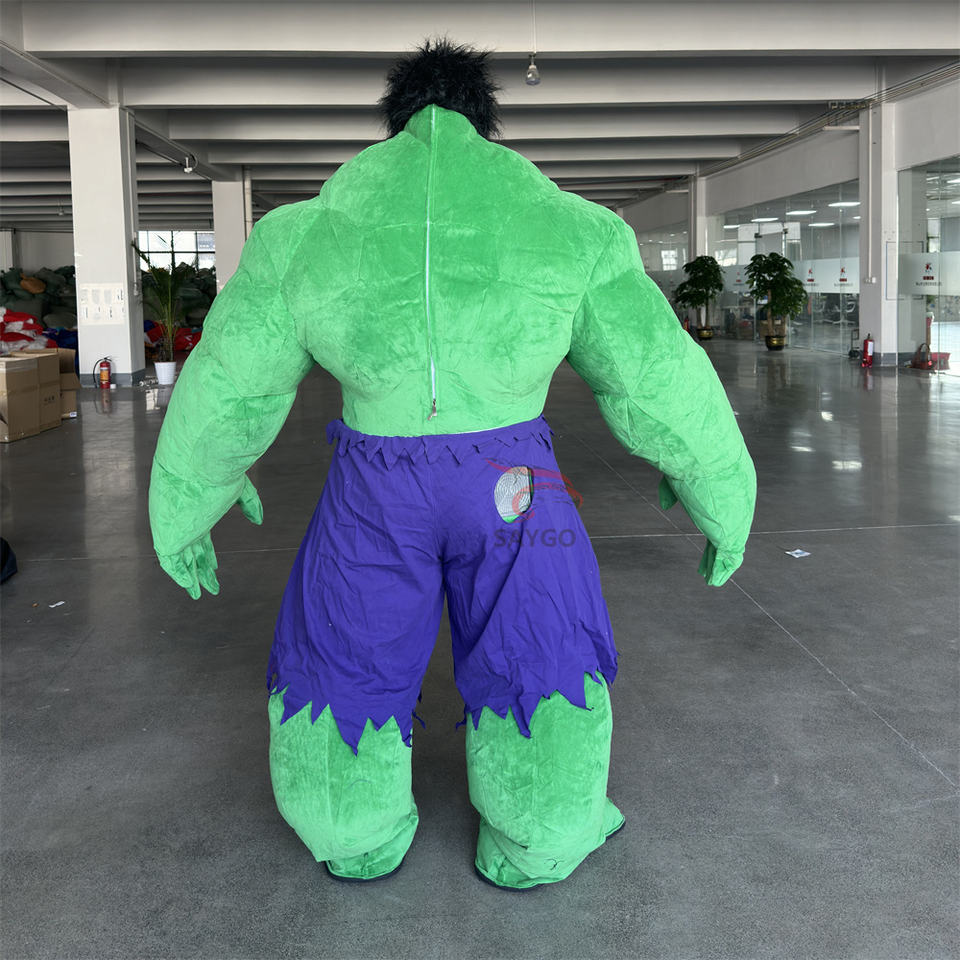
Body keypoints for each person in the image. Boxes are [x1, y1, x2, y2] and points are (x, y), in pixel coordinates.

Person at [149, 39, 756, 890]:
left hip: (372, 484)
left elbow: (230, 383)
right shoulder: (574, 230)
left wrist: (186, 505)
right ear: (485, 118)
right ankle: (542, 833)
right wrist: (718, 490)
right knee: (537, 641)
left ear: (394, 119)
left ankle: (351, 828)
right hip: (514, 481)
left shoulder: (302, 235)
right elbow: (657, 378)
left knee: (346, 643)